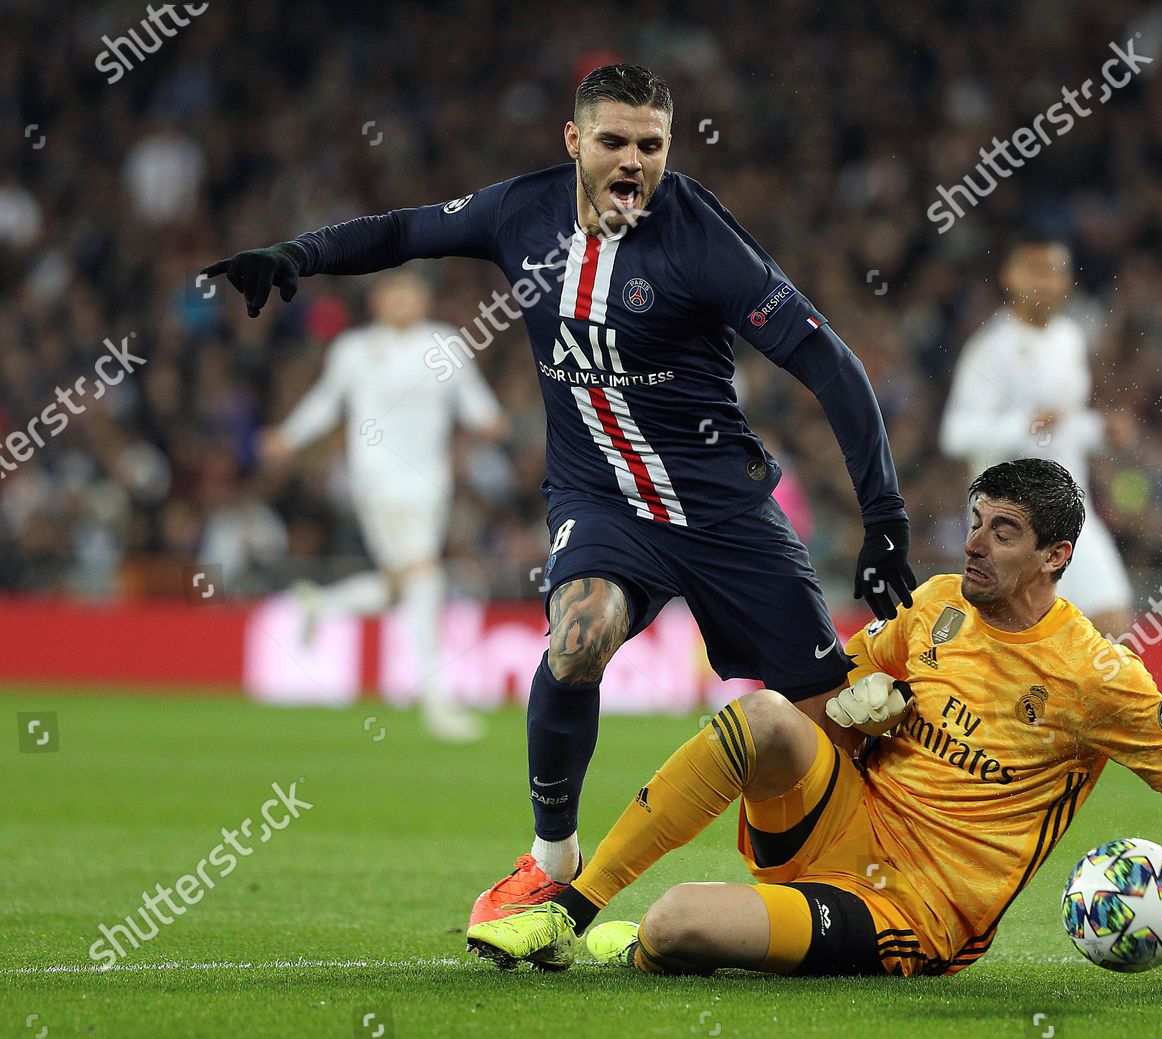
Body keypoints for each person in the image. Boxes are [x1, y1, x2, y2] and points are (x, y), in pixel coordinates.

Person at [201, 64, 917, 941]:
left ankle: (839, 887)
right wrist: (296, 255)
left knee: (822, 720)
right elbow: (405, 231)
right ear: (575, 141)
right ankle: (553, 860)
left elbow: (829, 365)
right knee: (578, 638)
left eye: (651, 145)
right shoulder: (520, 211)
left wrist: (883, 517)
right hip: (599, 500)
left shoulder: (702, 241)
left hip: (720, 508)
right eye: (614, 141)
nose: (633, 161)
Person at [467, 459, 1162, 989]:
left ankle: (655, 942)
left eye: (1004, 531)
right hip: (843, 823)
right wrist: (860, 711)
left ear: (1055, 555)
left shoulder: (1098, 676)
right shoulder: (934, 607)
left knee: (681, 920)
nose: (974, 544)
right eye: (975, 521)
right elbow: (838, 697)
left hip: (917, 911)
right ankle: (570, 906)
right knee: (765, 714)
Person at [258, 271, 506, 743]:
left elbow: (475, 405)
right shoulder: (353, 350)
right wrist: (288, 438)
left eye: (412, 292)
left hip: (432, 484)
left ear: (424, 299)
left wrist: (490, 421)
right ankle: (437, 702)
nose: (403, 300)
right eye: (395, 293)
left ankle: (323, 603)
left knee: (405, 585)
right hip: (379, 479)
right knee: (426, 575)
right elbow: (326, 402)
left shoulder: (446, 342)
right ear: (377, 301)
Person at [939, 233, 1133, 636]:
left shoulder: (1068, 338)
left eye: (1055, 271)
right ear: (1010, 276)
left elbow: (1063, 424)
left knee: (1111, 622)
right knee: (1011, 636)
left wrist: (1100, 430)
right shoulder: (991, 348)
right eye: (1034, 271)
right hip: (1009, 519)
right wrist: (1021, 427)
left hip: (1071, 507)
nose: (1045, 282)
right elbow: (955, 434)